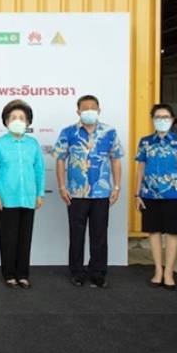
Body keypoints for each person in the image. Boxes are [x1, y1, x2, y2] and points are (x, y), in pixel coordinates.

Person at [53, 95, 123, 288]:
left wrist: (117, 186)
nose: (89, 111)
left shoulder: (109, 132)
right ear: (78, 111)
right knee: (76, 234)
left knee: (99, 235)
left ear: (99, 111)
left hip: (102, 193)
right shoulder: (68, 132)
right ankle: (77, 272)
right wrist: (62, 186)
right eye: (85, 108)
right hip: (76, 193)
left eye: (93, 107)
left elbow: (116, 160)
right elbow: (60, 160)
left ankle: (98, 272)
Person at [0, 100, 45, 289]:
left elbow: (39, 170)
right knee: (8, 238)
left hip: (28, 197)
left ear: (28, 122)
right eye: (13, 117)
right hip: (6, 198)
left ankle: (23, 274)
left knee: (25, 238)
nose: (17, 120)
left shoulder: (33, 144)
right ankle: (9, 274)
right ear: (6, 121)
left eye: (21, 117)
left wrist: (40, 194)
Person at [135, 104, 177, 290]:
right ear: (152, 119)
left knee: (172, 233)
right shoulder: (145, 142)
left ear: (173, 119)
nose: (162, 120)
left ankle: (169, 273)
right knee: (154, 232)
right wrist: (137, 194)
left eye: (165, 117)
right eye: (158, 117)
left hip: (173, 194)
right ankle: (158, 270)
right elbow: (140, 169)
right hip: (149, 194)